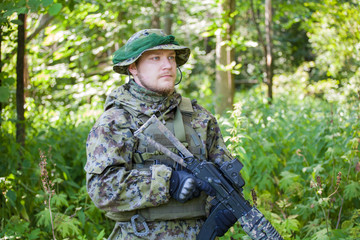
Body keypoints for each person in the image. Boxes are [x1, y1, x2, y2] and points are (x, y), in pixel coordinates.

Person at [85, 29, 237, 239]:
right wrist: (169, 182)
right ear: (133, 67)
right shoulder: (116, 121)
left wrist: (223, 208)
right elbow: (102, 189)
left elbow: (223, 175)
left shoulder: (199, 117)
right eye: (155, 58)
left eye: (171, 58)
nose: (168, 65)